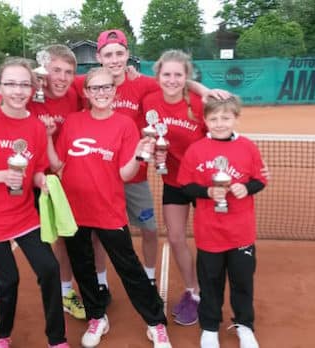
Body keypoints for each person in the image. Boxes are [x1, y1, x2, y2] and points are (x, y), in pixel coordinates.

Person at [74, 29, 231, 304]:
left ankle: (148, 277)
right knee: (97, 234)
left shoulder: (145, 84)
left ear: (127, 55)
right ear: (99, 57)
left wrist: (203, 89)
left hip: (135, 175)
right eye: (108, 54)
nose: (114, 60)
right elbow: (53, 83)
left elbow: (175, 81)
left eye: (119, 53)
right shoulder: (87, 83)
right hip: (99, 175)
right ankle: (100, 284)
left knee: (149, 230)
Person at [0, 45, 87, 337]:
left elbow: (107, 79)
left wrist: (40, 179)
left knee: (51, 260)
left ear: (33, 86)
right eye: (11, 84)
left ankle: (61, 317)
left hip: (30, 194)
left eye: (24, 85)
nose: (61, 76)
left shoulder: (71, 93)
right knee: (5, 277)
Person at [48, 67, 172, 348]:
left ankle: (155, 323)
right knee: (83, 266)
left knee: (129, 268)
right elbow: (58, 165)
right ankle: (97, 316)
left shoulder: (125, 125)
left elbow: (125, 174)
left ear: (114, 91)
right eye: (95, 88)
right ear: (87, 93)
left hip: (109, 211)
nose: (101, 93)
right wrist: (45, 138)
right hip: (75, 211)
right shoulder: (73, 122)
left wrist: (141, 156)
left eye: (106, 87)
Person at [177, 95, 266, 348]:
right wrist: (207, 192)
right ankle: (209, 328)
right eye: (213, 118)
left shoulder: (248, 147)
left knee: (242, 282)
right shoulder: (196, 150)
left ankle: (245, 326)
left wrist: (245, 188)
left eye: (225, 118)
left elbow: (259, 179)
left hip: (241, 233)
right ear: (205, 120)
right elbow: (185, 185)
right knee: (210, 283)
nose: (219, 123)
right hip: (209, 233)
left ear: (235, 118)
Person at [141, 49, 207, 325]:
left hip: (203, 182)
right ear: (157, 76)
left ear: (186, 77)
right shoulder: (149, 101)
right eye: (166, 74)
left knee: (208, 242)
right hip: (173, 181)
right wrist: (156, 151)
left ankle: (207, 295)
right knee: (177, 238)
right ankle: (193, 293)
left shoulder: (200, 102)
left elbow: (218, 136)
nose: (171, 80)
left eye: (178, 74)